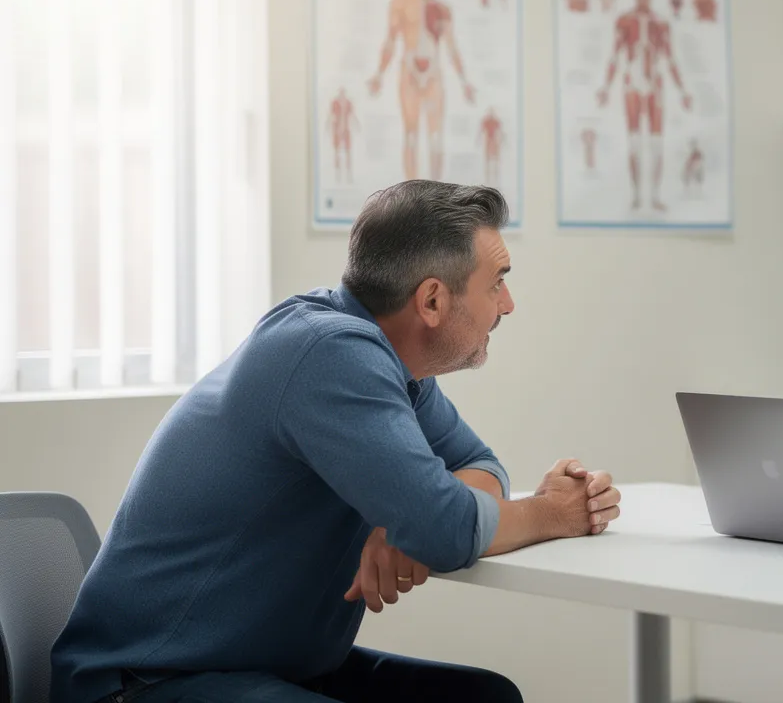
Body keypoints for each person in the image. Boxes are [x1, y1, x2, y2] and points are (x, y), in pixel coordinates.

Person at [51, 182, 621, 703]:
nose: (508, 304)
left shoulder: (392, 361)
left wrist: (404, 515)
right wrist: (550, 513)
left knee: (487, 697)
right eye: (496, 283)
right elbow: (445, 529)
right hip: (147, 681)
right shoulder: (331, 352)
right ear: (431, 301)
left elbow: (478, 464)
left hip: (262, 668)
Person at [368, 0, 476, 181]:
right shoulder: (400, 4)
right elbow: (390, 41)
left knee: (435, 135)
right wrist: (379, 74)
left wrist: (464, 81)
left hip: (433, 72)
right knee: (411, 133)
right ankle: (411, 197)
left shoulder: (441, 8)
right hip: (410, 70)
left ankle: (437, 200)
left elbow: (451, 46)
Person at [596, 0, 692, 212]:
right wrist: (606, 87)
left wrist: (682, 91)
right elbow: (615, 55)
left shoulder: (661, 23)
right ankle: (638, 195)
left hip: (655, 83)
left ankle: (656, 195)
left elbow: (669, 58)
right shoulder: (625, 21)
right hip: (633, 81)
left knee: (657, 143)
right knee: (635, 142)